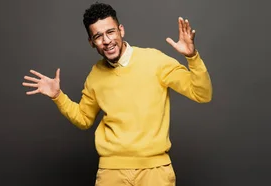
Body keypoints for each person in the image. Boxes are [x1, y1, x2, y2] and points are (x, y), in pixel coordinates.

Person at [22, 2, 212, 186]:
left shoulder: (155, 60)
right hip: (111, 172)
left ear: (121, 30)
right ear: (91, 42)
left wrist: (192, 57)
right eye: (98, 36)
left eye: (110, 32)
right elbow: (84, 119)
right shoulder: (95, 75)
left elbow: (202, 94)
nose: (106, 41)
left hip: (155, 171)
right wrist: (58, 96)